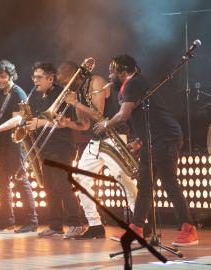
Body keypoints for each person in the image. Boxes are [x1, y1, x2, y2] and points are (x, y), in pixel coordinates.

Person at [93, 55, 198, 246]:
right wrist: (139, 140)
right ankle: (136, 229)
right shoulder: (129, 86)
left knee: (169, 183)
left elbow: (124, 115)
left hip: (165, 137)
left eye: (111, 72)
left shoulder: (134, 83)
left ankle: (189, 229)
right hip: (152, 139)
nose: (109, 76)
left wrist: (106, 124)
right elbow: (143, 117)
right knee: (144, 186)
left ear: (123, 72)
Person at [58, 61, 137, 239]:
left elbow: (99, 114)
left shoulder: (96, 81)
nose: (64, 86)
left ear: (74, 76)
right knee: (80, 180)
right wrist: (67, 123)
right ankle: (95, 225)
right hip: (96, 141)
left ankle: (141, 224)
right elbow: (85, 125)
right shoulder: (77, 92)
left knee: (124, 180)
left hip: (114, 136)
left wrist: (75, 103)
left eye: (65, 82)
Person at [26, 62, 82, 239]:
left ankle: (75, 224)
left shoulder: (60, 94)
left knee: (63, 187)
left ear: (50, 79)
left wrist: (40, 122)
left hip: (61, 148)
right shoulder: (38, 96)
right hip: (46, 149)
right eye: (34, 77)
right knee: (50, 188)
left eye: (39, 77)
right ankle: (55, 225)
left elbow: (64, 120)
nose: (35, 81)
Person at [0, 60, 38, 233]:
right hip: (3, 143)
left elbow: (17, 119)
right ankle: (7, 219)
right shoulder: (1, 93)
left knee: (21, 179)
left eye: (3, 77)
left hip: (15, 143)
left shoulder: (18, 93)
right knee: (2, 182)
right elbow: (2, 114)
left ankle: (32, 220)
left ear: (11, 76)